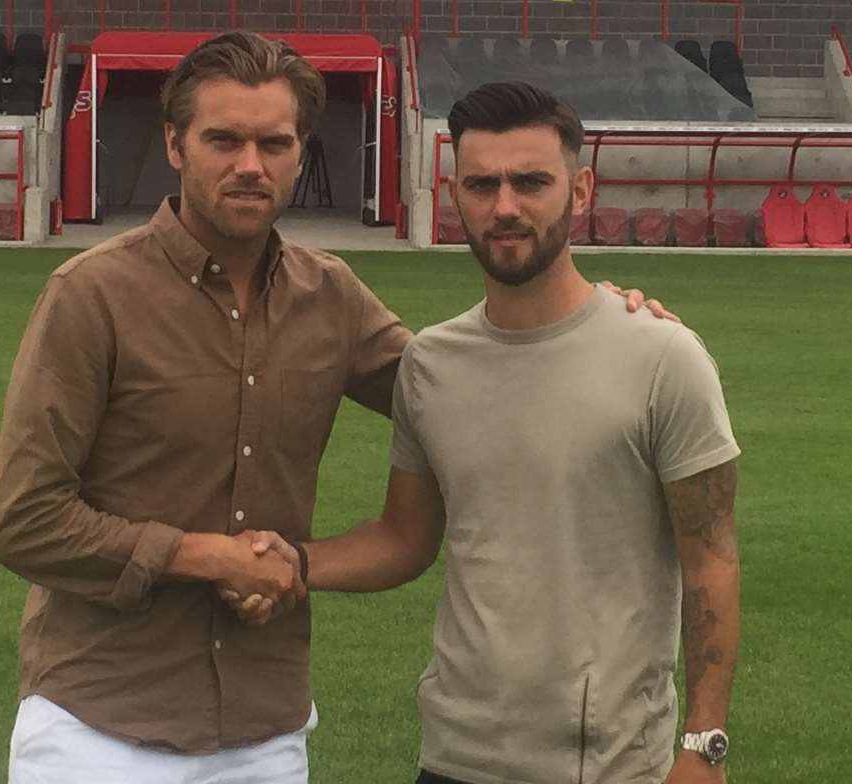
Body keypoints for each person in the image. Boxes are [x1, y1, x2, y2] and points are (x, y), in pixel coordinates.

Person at [0, 31, 673, 784]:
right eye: (224, 139)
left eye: (274, 142)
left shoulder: (330, 298)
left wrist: (593, 320)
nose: (251, 165)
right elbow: (26, 520)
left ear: (300, 150)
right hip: (99, 729)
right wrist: (204, 555)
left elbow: (466, 387)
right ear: (175, 146)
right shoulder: (91, 298)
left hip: (265, 732)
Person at [233, 82, 741, 784]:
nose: (505, 207)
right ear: (454, 194)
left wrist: (703, 746)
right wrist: (294, 562)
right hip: (454, 756)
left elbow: (711, 563)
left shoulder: (662, 357)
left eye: (531, 182)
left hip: (611, 765)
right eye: (483, 184)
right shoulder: (432, 365)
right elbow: (405, 536)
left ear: (582, 189)